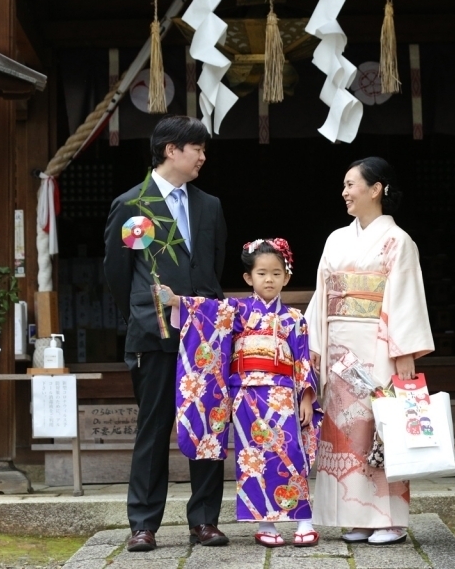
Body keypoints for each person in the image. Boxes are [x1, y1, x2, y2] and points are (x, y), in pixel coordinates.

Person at [103, 115, 228, 552]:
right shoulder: (131, 204)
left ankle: (205, 520)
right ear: (171, 150)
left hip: (203, 335)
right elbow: (118, 276)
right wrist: (141, 314)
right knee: (153, 428)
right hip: (153, 334)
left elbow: (212, 267)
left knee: (207, 425)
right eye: (197, 148)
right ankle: (143, 523)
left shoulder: (209, 205)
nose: (202, 157)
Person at [304, 157, 434, 546]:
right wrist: (313, 343)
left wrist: (403, 351)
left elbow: (406, 297)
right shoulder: (336, 239)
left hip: (377, 345)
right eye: (344, 186)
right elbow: (322, 295)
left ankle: (389, 519)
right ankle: (354, 516)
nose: (344, 192)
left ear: (376, 189)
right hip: (339, 346)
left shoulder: (399, 241)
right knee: (344, 433)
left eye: (351, 184)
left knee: (380, 428)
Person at [160, 238, 323, 548]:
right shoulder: (236, 311)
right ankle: (266, 523)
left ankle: (304, 520)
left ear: (286, 277)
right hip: (246, 395)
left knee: (292, 455)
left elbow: (302, 359)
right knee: (254, 460)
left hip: (284, 394)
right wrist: (176, 302)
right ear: (249, 278)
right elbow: (206, 313)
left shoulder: (294, 319)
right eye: (262, 273)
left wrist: (305, 397)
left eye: (277, 273)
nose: (269, 279)